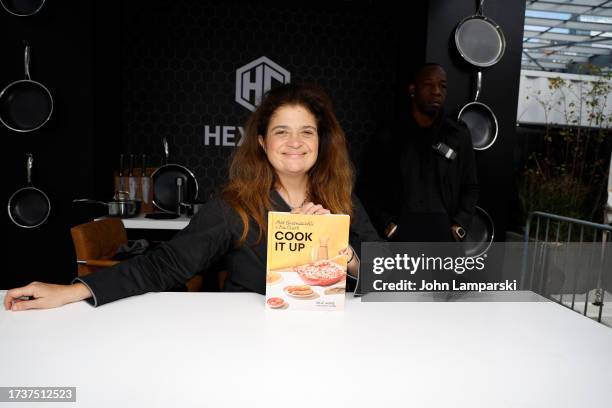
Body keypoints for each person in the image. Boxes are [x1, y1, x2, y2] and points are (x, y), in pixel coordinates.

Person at [4, 84, 381, 311]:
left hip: (328, 338)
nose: (295, 142)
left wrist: (344, 254)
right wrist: (74, 290)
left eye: (306, 132)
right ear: (263, 143)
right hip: (250, 339)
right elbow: (164, 264)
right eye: (282, 131)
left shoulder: (341, 199)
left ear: (320, 142)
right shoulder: (234, 205)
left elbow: (383, 271)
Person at [357, 63, 478, 243]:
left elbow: (470, 186)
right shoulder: (389, 135)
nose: (437, 91)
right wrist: (387, 225)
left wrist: (459, 226)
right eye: (429, 85)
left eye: (442, 86)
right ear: (413, 90)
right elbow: (367, 188)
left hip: (444, 236)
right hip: (400, 236)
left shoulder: (458, 135)